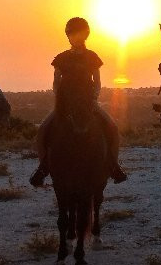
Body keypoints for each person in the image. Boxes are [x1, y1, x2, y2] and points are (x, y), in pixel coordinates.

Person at [29, 17, 127, 187]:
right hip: (65, 103)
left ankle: (114, 166)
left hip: (88, 101)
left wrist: (94, 97)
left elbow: (97, 82)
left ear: (85, 35)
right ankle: (43, 167)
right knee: (42, 130)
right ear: (68, 36)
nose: (75, 37)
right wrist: (60, 97)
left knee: (113, 128)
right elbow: (56, 81)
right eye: (72, 34)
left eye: (78, 34)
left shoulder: (92, 57)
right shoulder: (61, 58)